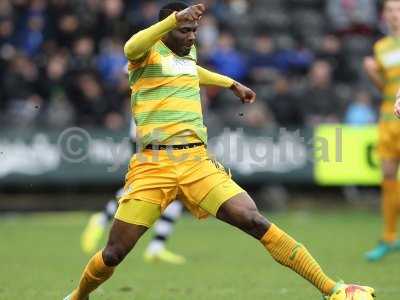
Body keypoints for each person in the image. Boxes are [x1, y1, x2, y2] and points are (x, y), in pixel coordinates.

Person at [64, 3, 375, 300]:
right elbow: (129, 46)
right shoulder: (145, 54)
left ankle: (332, 289)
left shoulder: (187, 54)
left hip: (196, 162)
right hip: (153, 165)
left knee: (254, 220)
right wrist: (175, 19)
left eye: (193, 31)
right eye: (185, 30)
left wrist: (230, 83)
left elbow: (191, 72)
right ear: (166, 29)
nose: (191, 36)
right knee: (114, 253)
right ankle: (80, 295)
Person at [81, 121, 186, 265]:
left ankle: (156, 246)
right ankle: (102, 218)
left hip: (165, 133)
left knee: (176, 189)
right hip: (148, 132)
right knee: (148, 186)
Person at [364, 0, 400, 262]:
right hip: (389, 119)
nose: (395, 15)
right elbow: (386, 87)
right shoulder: (381, 47)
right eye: (390, 10)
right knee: (387, 175)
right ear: (384, 15)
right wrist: (372, 74)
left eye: (399, 10)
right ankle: (388, 237)